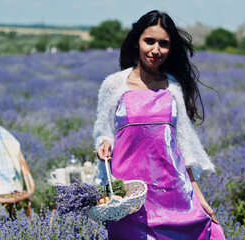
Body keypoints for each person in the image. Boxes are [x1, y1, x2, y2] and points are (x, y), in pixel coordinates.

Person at [93, 10, 225, 240]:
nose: (156, 50)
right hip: (130, 195)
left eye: (163, 44)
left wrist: (198, 195)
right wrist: (104, 142)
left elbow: (182, 148)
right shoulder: (114, 85)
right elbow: (103, 130)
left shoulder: (172, 87)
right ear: (136, 42)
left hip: (171, 191)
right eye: (149, 41)